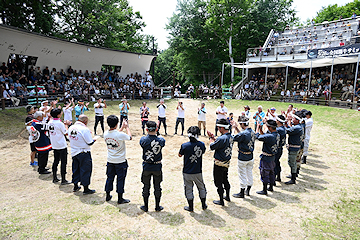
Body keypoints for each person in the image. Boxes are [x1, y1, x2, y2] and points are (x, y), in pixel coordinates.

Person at [104, 115, 132, 204]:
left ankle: (107, 195)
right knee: (120, 179)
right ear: (117, 124)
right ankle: (120, 198)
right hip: (120, 161)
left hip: (110, 160)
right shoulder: (119, 135)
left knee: (109, 178)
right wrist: (126, 127)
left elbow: (116, 135)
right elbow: (129, 137)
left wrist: (122, 127)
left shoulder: (105, 134)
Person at [178, 126, 207, 211]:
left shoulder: (184, 145)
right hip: (198, 171)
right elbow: (203, 152)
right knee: (201, 187)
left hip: (187, 171)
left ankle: (190, 207)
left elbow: (180, 155)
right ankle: (203, 205)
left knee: (188, 188)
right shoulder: (201, 144)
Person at [139, 121, 166, 212]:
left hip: (146, 165)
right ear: (157, 129)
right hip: (157, 166)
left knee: (146, 186)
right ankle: (157, 206)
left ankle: (145, 206)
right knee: (157, 186)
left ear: (146, 129)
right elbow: (162, 140)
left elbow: (143, 143)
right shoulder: (161, 140)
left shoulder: (143, 140)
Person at [68, 115, 98, 194]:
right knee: (85, 170)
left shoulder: (71, 127)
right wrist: (94, 139)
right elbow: (89, 142)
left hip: (74, 152)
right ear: (85, 121)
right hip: (83, 152)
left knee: (76, 169)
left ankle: (75, 185)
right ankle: (86, 188)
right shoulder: (84, 129)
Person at [207, 118, 234, 206]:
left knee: (218, 182)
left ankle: (221, 200)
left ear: (222, 128)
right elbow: (221, 144)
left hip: (219, 163)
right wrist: (215, 139)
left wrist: (211, 138)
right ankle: (227, 196)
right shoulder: (230, 136)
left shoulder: (222, 138)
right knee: (225, 179)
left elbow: (212, 147)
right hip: (226, 162)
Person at [232, 116, 256, 198]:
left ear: (242, 124)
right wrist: (238, 129)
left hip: (243, 156)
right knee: (249, 173)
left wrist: (233, 129)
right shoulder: (252, 131)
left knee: (242, 174)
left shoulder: (243, 133)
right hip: (250, 156)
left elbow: (233, 138)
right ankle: (248, 190)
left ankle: (242, 192)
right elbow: (242, 137)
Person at [255, 119, 279, 195]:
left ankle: (264, 190)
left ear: (270, 128)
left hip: (266, 157)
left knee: (264, 172)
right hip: (272, 157)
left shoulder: (270, 136)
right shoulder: (277, 134)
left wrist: (258, 128)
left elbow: (258, 137)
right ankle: (271, 187)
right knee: (271, 172)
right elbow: (265, 136)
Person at [48, 108, 71, 185]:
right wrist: (66, 125)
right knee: (63, 162)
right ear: (58, 115)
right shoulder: (60, 123)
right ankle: (63, 179)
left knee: (56, 161)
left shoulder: (50, 122)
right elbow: (66, 132)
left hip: (54, 144)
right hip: (61, 145)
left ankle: (54, 177)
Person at [284, 111, 303, 185]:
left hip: (294, 148)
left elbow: (287, 131)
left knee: (292, 162)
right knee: (292, 162)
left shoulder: (297, 128)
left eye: (294, 118)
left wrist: (288, 122)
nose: (292, 119)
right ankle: (293, 175)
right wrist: (287, 123)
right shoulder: (298, 127)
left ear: (297, 120)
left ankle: (293, 178)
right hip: (294, 148)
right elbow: (290, 129)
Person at [275, 115, 286, 182]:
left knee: (274, 163)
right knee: (277, 162)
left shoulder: (279, 129)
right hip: (280, 148)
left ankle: (274, 178)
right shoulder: (283, 128)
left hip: (277, 148)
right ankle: (278, 176)